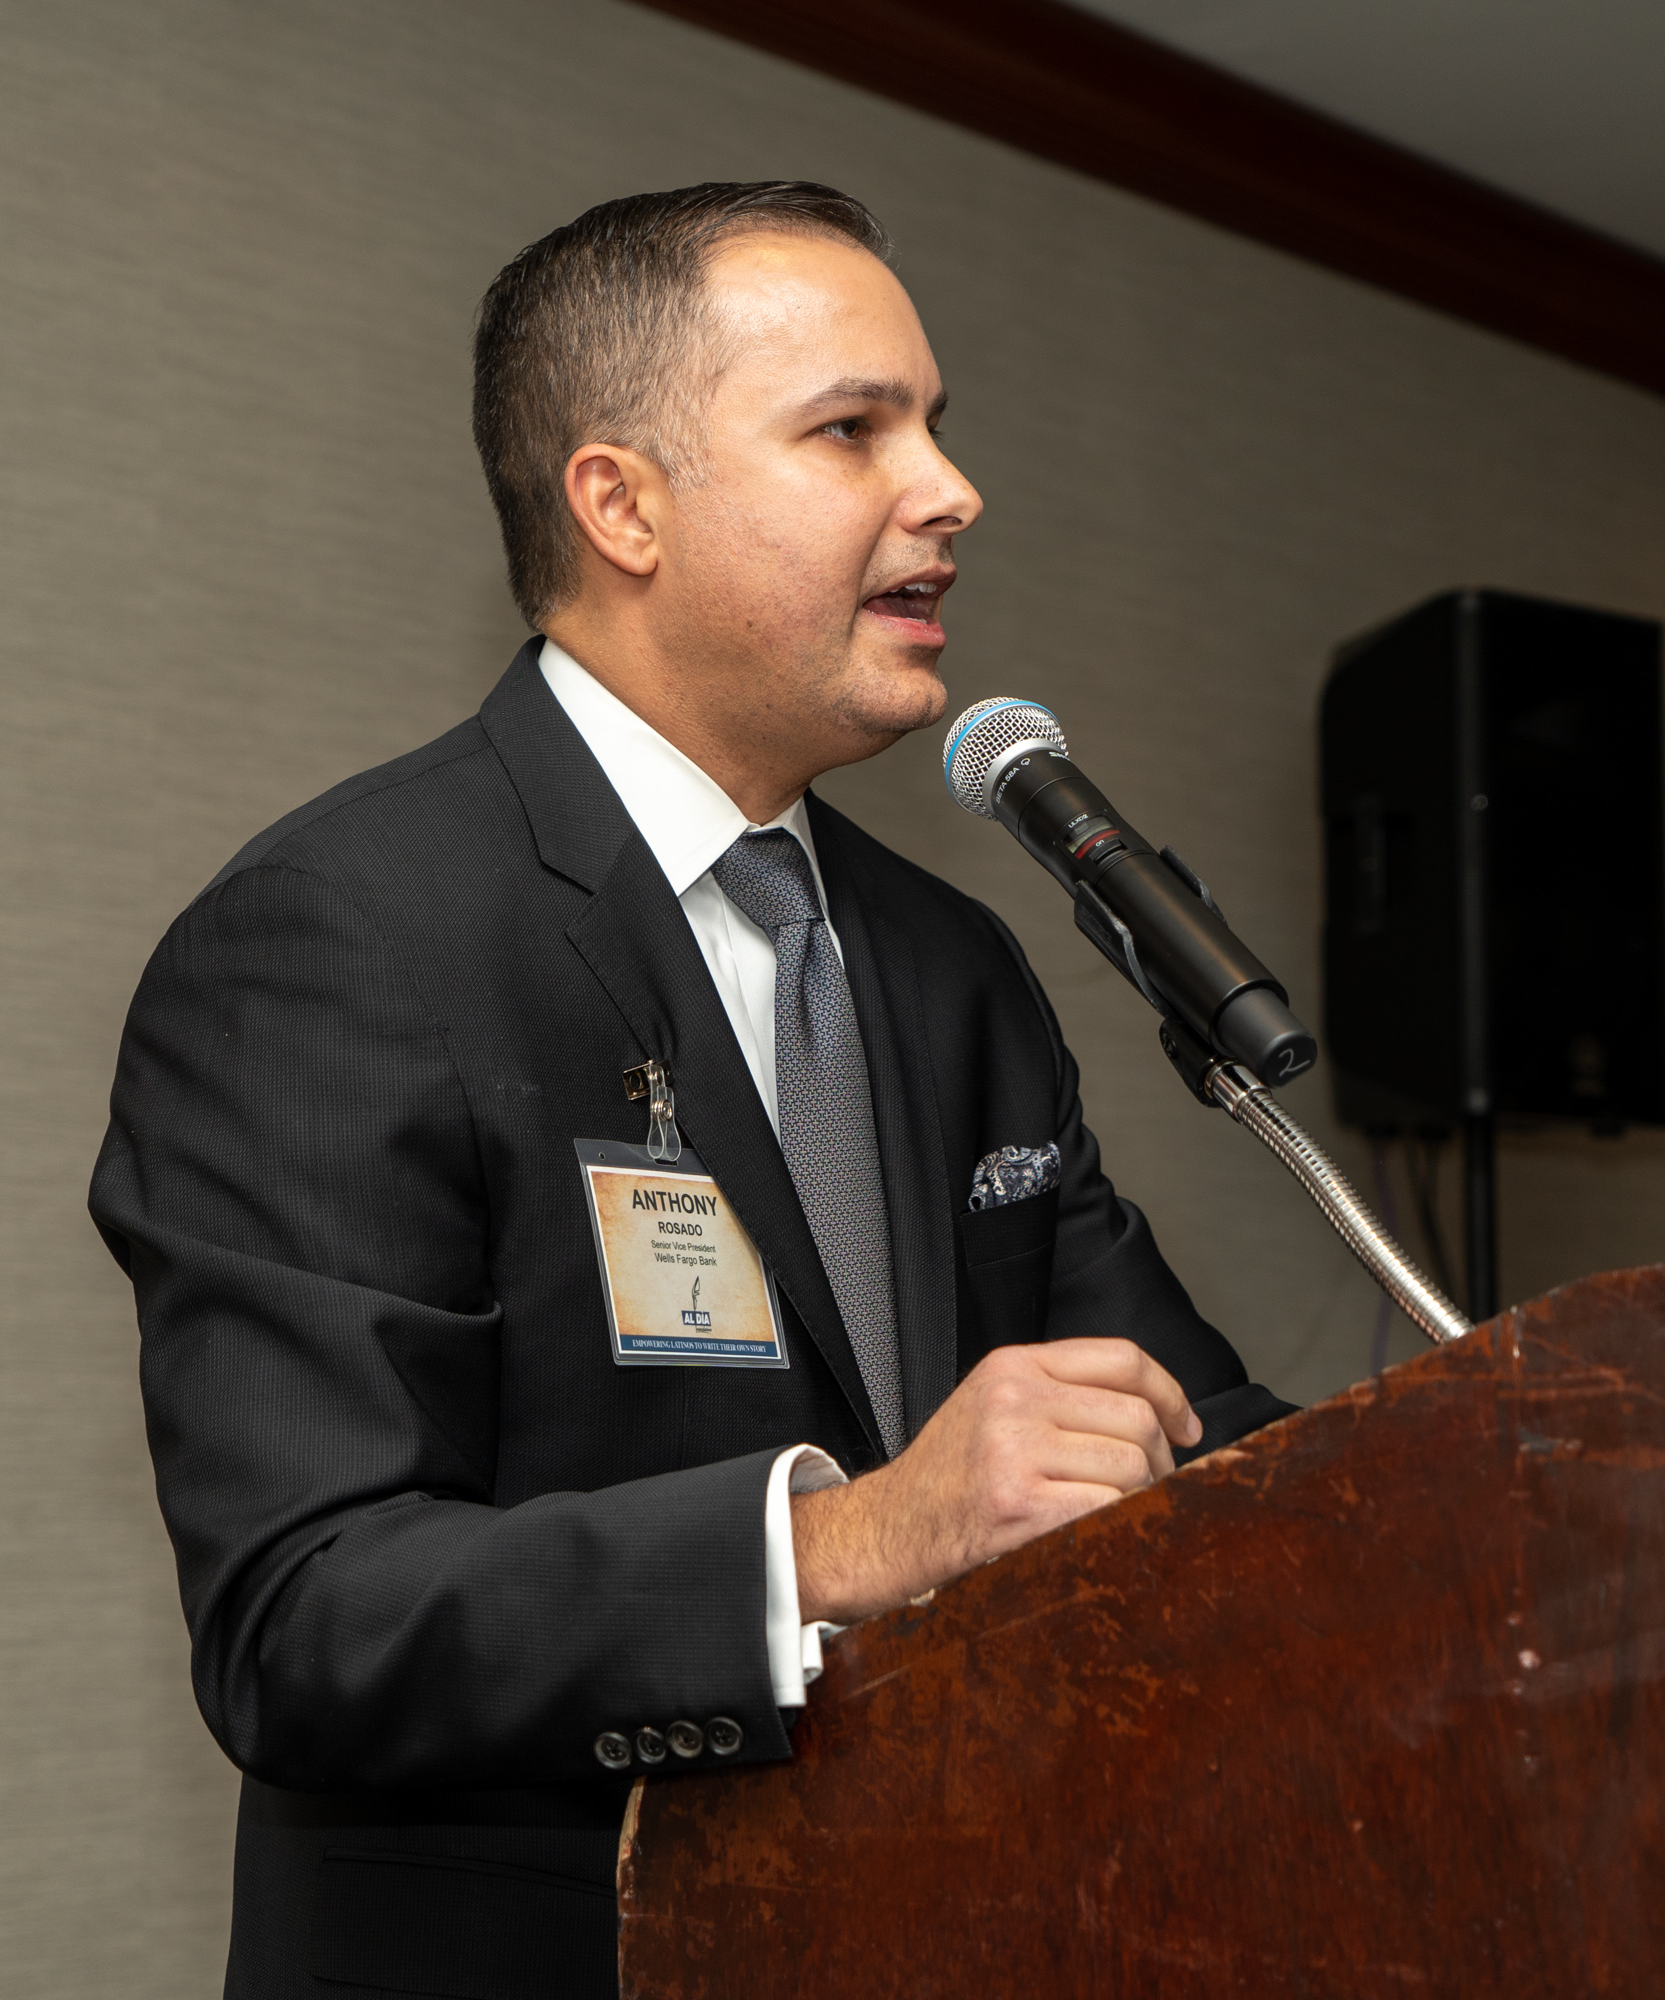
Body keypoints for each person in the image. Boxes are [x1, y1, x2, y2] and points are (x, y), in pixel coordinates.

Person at [89, 181, 1294, 2000]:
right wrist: (853, 1541)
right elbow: (308, 1619)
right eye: (852, 428)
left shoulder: (948, 962)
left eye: (938, 425)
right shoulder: (344, 936)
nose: (949, 489)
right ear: (622, 503)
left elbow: (1185, 1441)